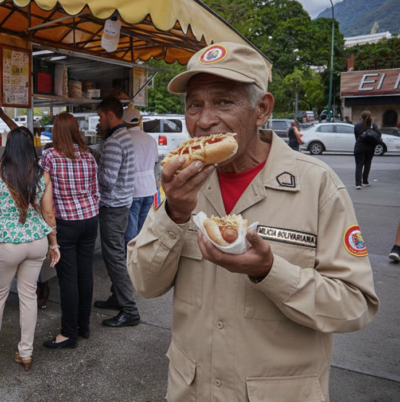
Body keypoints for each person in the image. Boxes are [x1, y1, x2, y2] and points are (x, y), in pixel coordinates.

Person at [127, 42, 378, 400]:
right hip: (191, 391)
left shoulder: (317, 185)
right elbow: (144, 284)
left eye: (223, 102)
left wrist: (269, 271)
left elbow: (355, 305)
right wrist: (175, 214)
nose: (203, 120)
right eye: (194, 104)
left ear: (262, 109)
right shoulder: (180, 182)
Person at [0, 126, 60, 371]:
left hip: (8, 243)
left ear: (9, 147)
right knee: (28, 296)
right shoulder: (42, 174)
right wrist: (53, 244)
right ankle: (25, 353)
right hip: (37, 242)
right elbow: (48, 214)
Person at [39, 113, 99, 349]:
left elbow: (41, 191)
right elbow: (96, 189)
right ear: (76, 130)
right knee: (85, 274)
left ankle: (68, 333)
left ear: (56, 131)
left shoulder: (50, 156)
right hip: (90, 219)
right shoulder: (89, 156)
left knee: (68, 279)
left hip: (65, 222)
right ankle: (83, 327)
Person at [93, 97, 140, 328]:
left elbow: (107, 181)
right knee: (118, 255)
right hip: (123, 204)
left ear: (110, 115)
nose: (99, 122)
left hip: (112, 207)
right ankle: (116, 297)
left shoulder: (113, 142)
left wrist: (94, 168)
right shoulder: (124, 136)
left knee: (115, 259)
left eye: (100, 117)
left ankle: (129, 310)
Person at [122, 107, 158, 246]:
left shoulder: (125, 139)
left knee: (130, 232)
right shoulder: (150, 139)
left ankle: (129, 261)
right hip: (149, 189)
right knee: (144, 229)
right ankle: (141, 258)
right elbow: (155, 161)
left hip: (133, 189)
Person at [354, 110, 380, 190]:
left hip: (359, 147)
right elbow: (378, 135)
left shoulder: (357, 125)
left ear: (361, 117)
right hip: (370, 147)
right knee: (367, 164)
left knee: (359, 165)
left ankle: (358, 183)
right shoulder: (373, 125)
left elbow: (356, 136)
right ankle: (365, 181)